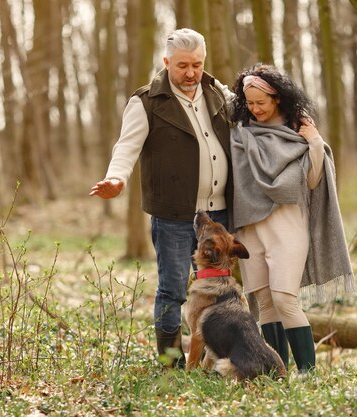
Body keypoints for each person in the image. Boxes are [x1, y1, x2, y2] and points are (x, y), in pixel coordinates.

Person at [89, 28, 234, 369]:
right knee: (173, 290)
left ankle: (215, 362)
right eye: (182, 65)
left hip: (218, 214)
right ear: (166, 62)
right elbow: (126, 147)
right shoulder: (146, 102)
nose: (190, 73)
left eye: (197, 64)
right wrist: (116, 177)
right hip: (174, 215)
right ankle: (170, 365)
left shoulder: (217, 92)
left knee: (221, 290)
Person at [229, 63, 355, 373]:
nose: (255, 109)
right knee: (265, 303)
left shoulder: (298, 134)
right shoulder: (242, 133)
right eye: (250, 103)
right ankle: (277, 372)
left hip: (289, 228)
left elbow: (311, 181)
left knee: (285, 300)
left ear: (278, 99)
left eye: (261, 102)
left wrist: (313, 141)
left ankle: (307, 373)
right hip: (250, 230)